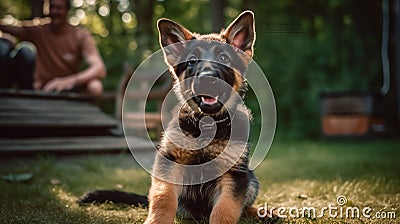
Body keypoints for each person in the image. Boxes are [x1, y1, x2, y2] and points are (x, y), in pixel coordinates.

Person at [0, 0, 106, 96]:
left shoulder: (80, 35)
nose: (55, 11)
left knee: (95, 87)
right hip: (42, 88)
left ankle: (87, 114)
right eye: (52, 7)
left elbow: (99, 68)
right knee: (21, 50)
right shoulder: (38, 30)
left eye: (59, 8)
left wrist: (70, 81)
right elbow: (14, 28)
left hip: (69, 87)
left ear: (67, 10)